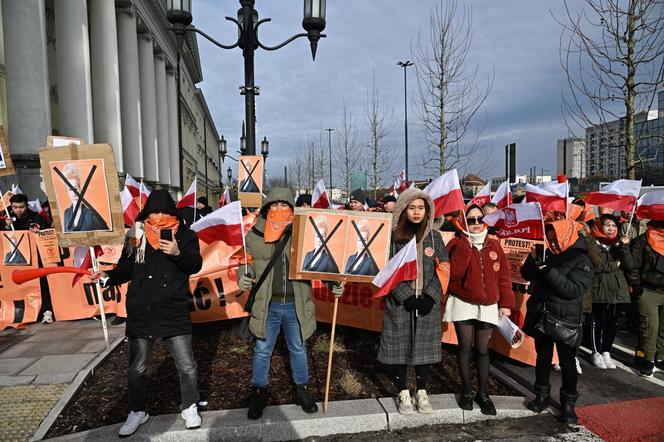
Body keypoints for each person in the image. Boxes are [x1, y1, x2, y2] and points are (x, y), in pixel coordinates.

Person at [89, 189, 203, 437]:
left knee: (186, 365)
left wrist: (177, 253)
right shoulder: (136, 234)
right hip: (142, 310)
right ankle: (138, 411)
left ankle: (190, 406)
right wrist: (108, 276)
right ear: (147, 213)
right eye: (154, 212)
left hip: (172, 309)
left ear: (172, 212)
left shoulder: (185, 234)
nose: (159, 216)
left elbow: (195, 265)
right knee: (136, 368)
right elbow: (127, 267)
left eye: (164, 211)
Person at [237, 188, 344, 419]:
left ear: (291, 209)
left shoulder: (303, 233)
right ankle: (258, 392)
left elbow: (316, 262)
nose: (279, 209)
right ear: (267, 209)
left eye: (284, 205)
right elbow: (244, 261)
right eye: (274, 205)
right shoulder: (254, 234)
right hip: (268, 305)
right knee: (262, 350)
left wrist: (332, 282)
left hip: (297, 304)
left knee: (298, 348)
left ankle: (301, 390)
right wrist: (242, 275)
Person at [377, 189, 449, 415]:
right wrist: (404, 295)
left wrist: (431, 295)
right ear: (403, 209)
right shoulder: (393, 237)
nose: (416, 212)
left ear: (427, 211)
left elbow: (444, 268)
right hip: (401, 303)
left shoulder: (435, 237)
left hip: (426, 303)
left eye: (421, 208)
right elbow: (385, 269)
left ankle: (422, 390)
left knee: (423, 350)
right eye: (412, 207)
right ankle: (403, 392)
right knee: (400, 348)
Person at [521, 219, 593, 424]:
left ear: (567, 237)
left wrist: (546, 269)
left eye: (556, 239)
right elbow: (526, 274)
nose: (552, 243)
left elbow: (572, 290)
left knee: (567, 362)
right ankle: (542, 395)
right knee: (542, 358)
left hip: (565, 319)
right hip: (542, 315)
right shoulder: (547, 254)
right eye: (549, 239)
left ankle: (568, 404)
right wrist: (533, 259)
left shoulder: (582, 260)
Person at [445, 204, 513, 415]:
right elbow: (454, 273)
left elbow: (504, 276)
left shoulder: (494, 246)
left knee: (483, 350)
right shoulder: (456, 244)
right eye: (470, 220)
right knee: (465, 347)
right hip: (462, 302)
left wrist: (506, 303)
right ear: (464, 222)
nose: (475, 223)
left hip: (488, 304)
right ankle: (466, 390)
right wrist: (465, 244)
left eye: (479, 219)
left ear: (485, 221)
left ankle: (482, 394)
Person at [585, 214, 632, 369]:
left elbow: (630, 265)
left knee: (612, 323)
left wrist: (624, 247)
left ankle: (606, 351)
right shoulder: (592, 242)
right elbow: (597, 266)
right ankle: (595, 351)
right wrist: (615, 264)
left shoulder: (619, 244)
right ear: (599, 226)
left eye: (614, 225)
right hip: (598, 289)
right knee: (596, 322)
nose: (611, 229)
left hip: (617, 290)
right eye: (607, 225)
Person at [626, 220, 664, 377]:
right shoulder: (642, 240)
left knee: (663, 327)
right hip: (648, 290)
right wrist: (636, 285)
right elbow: (633, 266)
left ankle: (660, 357)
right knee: (650, 326)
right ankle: (648, 359)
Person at [61, 163, 110, 232]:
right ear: (67, 192)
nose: (74, 194)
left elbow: (107, 235)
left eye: (75, 189)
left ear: (80, 189)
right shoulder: (66, 213)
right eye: (70, 190)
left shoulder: (91, 214)